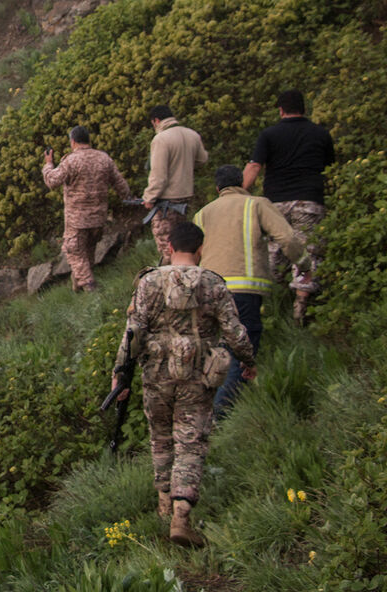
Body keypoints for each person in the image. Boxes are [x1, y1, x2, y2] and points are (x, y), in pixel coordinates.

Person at [111, 221, 255, 547]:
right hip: (198, 378)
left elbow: (133, 333)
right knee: (191, 442)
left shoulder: (148, 282)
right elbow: (235, 332)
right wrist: (248, 361)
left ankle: (164, 506)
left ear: (169, 248)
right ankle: (181, 515)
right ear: (201, 249)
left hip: (156, 376)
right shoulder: (213, 284)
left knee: (160, 439)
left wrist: (120, 373)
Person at [194, 165, 311, 416]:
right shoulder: (257, 204)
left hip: (206, 290)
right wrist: (304, 265)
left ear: (217, 189)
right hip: (243, 290)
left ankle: (202, 411)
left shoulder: (203, 213)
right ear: (244, 184)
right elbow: (287, 239)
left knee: (214, 350)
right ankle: (221, 415)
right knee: (240, 350)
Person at [242, 89, 335, 322]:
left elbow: (254, 167)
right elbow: (331, 170)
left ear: (280, 110)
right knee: (309, 251)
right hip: (309, 200)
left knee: (275, 249)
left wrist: (238, 193)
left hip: (276, 203)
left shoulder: (269, 135)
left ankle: (274, 300)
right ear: (304, 109)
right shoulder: (321, 134)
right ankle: (302, 304)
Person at [42, 125, 131, 291]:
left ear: (73, 141)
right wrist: (127, 198)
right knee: (88, 252)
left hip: (77, 220)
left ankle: (90, 287)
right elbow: (120, 184)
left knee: (73, 252)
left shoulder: (71, 161)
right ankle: (78, 289)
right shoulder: (104, 158)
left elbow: (52, 181)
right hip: (98, 217)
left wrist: (48, 164)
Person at [142, 105, 208, 264]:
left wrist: (149, 197)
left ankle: (169, 280)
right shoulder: (192, 135)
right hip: (186, 200)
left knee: (167, 246)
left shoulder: (161, 139)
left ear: (156, 121)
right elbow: (203, 159)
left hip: (166, 203)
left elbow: (159, 175)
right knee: (183, 244)